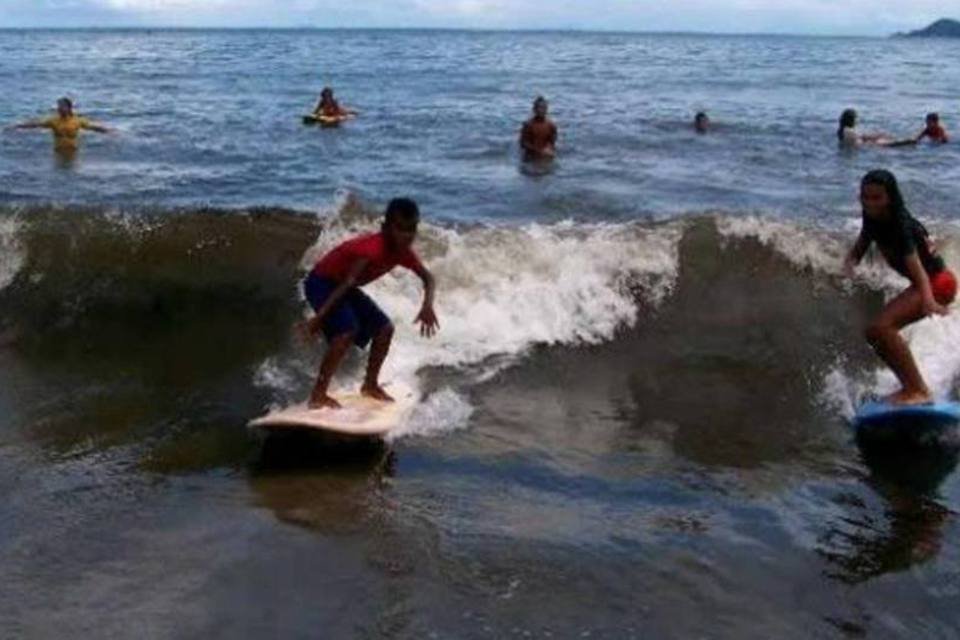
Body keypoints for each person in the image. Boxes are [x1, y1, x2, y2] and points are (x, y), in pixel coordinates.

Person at [300, 198, 438, 409]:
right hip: (321, 282)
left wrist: (427, 306)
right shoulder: (372, 249)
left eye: (411, 229)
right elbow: (348, 283)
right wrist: (318, 319)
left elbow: (428, 278)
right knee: (346, 331)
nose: (407, 235)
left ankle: (370, 385)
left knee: (385, 329)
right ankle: (318, 394)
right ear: (385, 228)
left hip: (343, 286)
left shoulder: (403, 253)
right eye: (400, 229)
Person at [844, 169, 956, 406]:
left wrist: (929, 302)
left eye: (877, 198)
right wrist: (848, 268)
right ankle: (911, 386)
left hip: (938, 283)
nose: (870, 203)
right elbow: (856, 252)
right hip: (925, 283)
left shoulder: (900, 226)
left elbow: (920, 273)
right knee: (874, 333)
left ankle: (917, 390)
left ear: (890, 198)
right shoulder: (873, 219)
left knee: (882, 328)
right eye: (866, 197)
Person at [8, 97, 110, 153]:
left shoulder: (77, 121)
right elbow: (35, 124)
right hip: (58, 153)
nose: (59, 108)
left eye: (62, 106)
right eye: (58, 106)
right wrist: (16, 126)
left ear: (69, 108)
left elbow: (93, 127)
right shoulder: (53, 121)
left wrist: (110, 132)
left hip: (73, 153)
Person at [519, 96, 558, 161]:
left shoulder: (551, 125)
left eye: (544, 108)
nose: (541, 110)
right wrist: (539, 151)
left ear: (547, 109)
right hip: (530, 157)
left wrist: (549, 148)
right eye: (539, 108)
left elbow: (552, 142)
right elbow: (523, 144)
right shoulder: (528, 125)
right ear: (534, 109)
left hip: (545, 156)